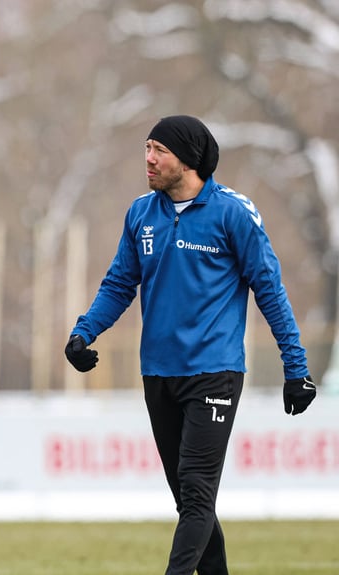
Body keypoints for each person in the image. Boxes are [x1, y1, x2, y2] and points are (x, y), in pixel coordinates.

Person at [64, 115, 316, 575]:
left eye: (158, 149)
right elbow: (121, 281)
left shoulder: (234, 213)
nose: (149, 158)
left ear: (188, 158)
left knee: (197, 491)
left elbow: (270, 290)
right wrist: (84, 332)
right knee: (190, 500)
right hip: (158, 373)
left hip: (214, 371)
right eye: (146, 148)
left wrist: (295, 368)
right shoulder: (140, 213)